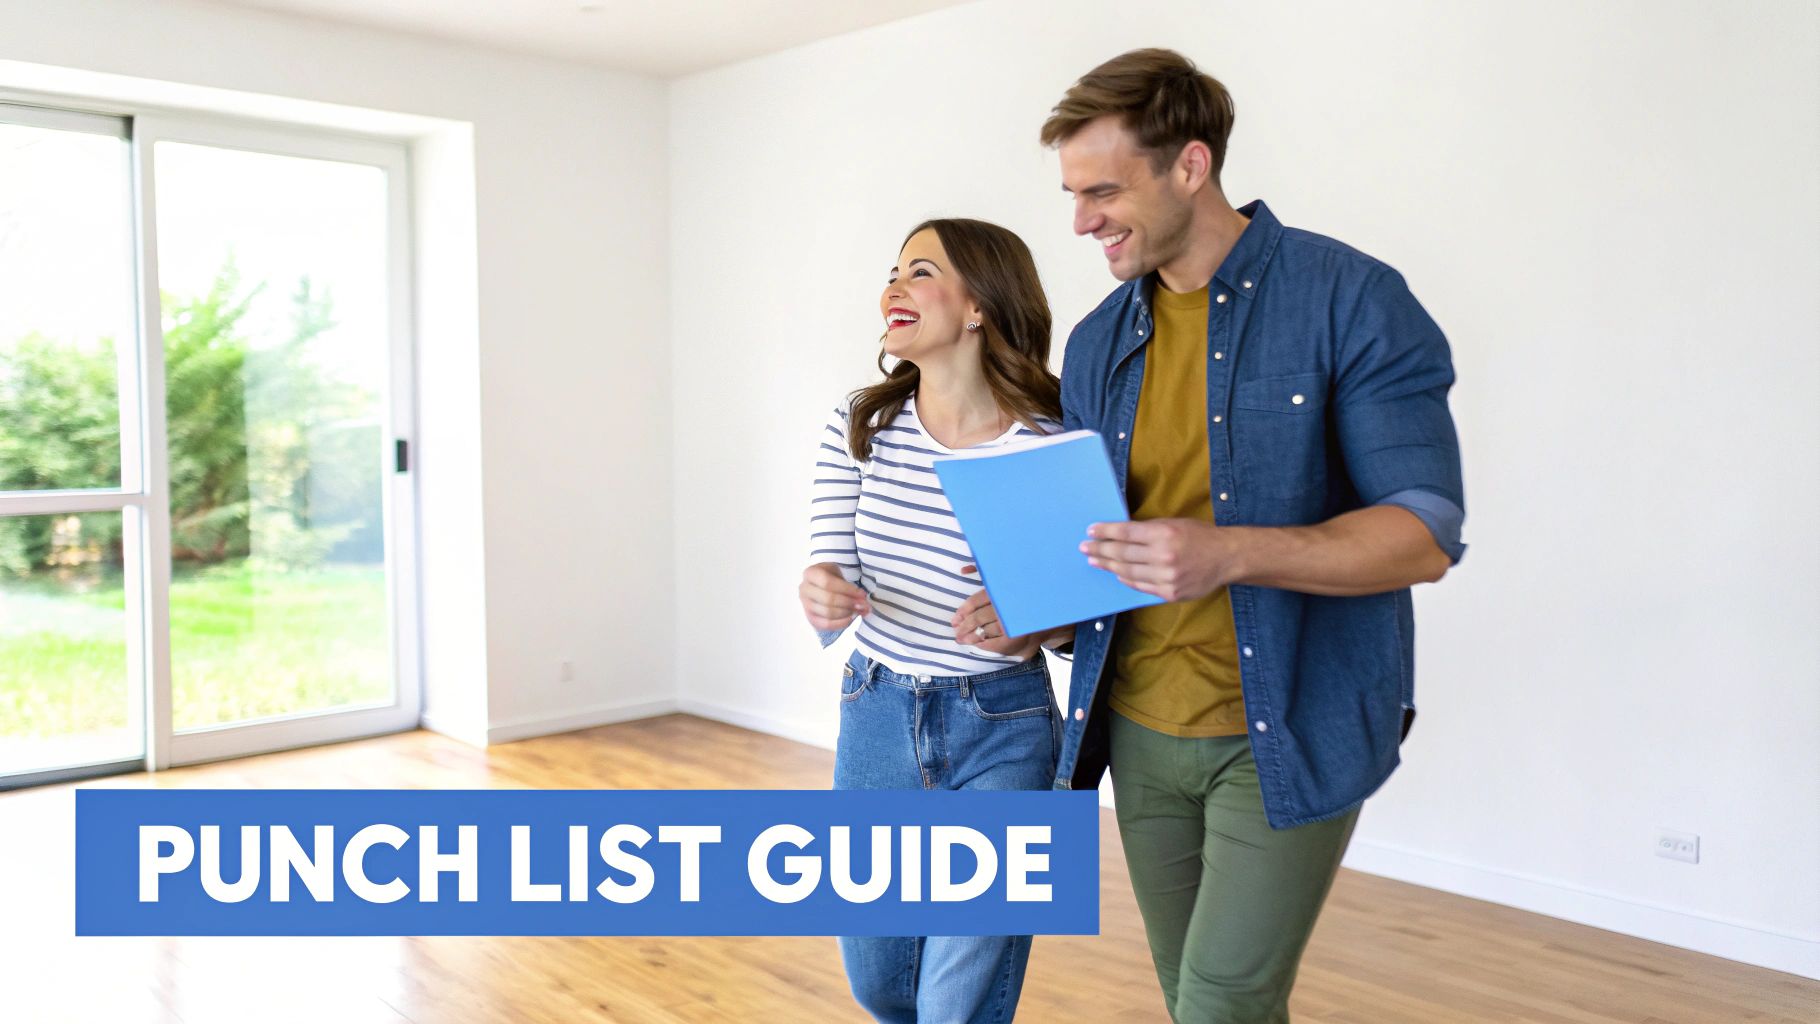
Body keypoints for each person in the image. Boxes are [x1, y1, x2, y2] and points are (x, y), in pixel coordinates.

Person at [952, 49, 1467, 1022]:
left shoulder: (1348, 298)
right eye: (1070, 193)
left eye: (1103, 190)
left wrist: (1229, 551)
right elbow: (1098, 549)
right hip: (1137, 732)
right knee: (1188, 989)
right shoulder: (1100, 338)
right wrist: (1037, 615)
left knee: (1223, 1000)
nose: (1079, 221)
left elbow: (1421, 535)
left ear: (1189, 167)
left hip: (1281, 726)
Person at [799, 217, 1068, 1024]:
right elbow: (826, 568)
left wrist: (1036, 622)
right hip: (878, 709)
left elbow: (1073, 624)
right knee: (883, 984)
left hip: (1004, 720)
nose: (894, 287)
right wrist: (820, 592)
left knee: (960, 988)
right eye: (893, 271)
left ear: (982, 305)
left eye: (921, 271)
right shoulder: (862, 425)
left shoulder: (1050, 440)